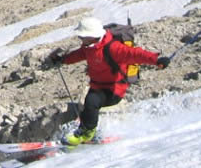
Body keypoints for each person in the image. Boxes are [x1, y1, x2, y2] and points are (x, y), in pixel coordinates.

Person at [46, 17, 170, 146]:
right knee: (88, 107)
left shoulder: (113, 48)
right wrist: (62, 60)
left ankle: (86, 134)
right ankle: (88, 131)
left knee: (91, 102)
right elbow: (78, 55)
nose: (80, 39)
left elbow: (135, 54)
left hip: (114, 90)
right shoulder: (89, 47)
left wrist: (156, 60)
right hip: (97, 86)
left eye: (82, 36)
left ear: (92, 35)